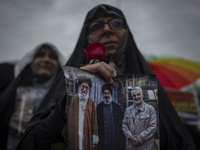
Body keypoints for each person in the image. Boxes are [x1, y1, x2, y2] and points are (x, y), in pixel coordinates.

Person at [17, 4, 196, 150]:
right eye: (96, 26)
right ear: (85, 37)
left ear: (126, 31)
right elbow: (32, 142)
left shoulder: (143, 91)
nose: (107, 29)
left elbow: (177, 140)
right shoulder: (73, 84)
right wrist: (72, 94)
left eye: (116, 23)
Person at [0, 43, 66, 150]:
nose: (46, 59)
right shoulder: (13, 87)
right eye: (41, 55)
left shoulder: (62, 94)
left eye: (52, 56)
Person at [68, 75, 98, 150]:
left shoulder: (91, 103)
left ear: (89, 89)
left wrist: (94, 142)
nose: (84, 89)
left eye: (86, 87)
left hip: (86, 135)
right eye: (83, 86)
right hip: (75, 135)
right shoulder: (74, 99)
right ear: (79, 87)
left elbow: (94, 123)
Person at [96, 84, 125, 150]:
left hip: (115, 140)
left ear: (111, 94)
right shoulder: (99, 107)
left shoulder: (117, 107)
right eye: (105, 93)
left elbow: (122, 124)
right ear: (102, 94)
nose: (106, 95)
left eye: (108, 93)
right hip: (103, 139)